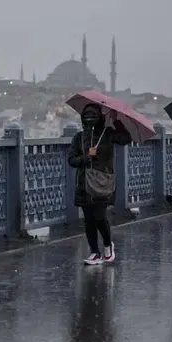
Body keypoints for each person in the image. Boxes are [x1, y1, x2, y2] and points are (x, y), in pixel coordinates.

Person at [67, 103, 132, 265]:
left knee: (99, 216)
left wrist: (117, 123)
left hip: (102, 182)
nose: (90, 119)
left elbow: (125, 139)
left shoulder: (108, 134)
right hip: (83, 183)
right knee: (88, 219)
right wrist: (85, 158)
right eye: (87, 117)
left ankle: (108, 244)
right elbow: (71, 160)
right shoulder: (79, 137)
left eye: (93, 116)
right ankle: (94, 252)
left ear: (100, 118)